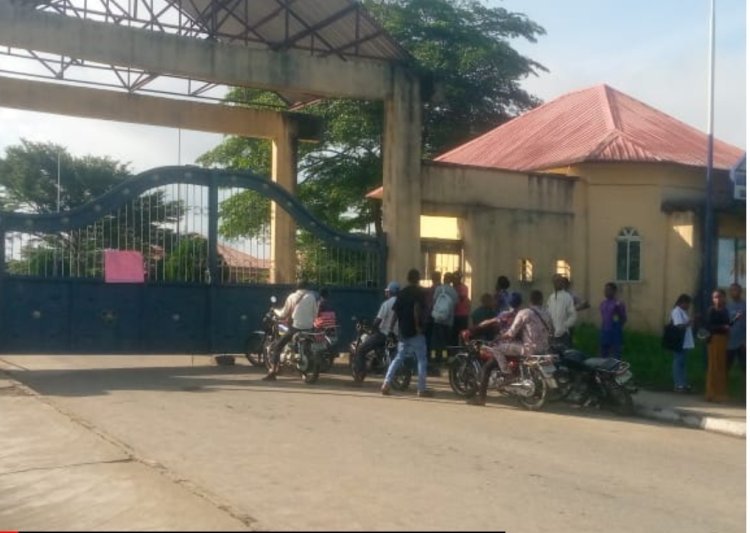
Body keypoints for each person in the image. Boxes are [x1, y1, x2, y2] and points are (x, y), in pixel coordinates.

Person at [467, 290, 552, 406]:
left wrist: (499, 337)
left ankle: (506, 374)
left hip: (527, 348)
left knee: (495, 351)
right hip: (543, 349)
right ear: (541, 300)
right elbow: (553, 330)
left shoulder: (521, 313)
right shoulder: (546, 313)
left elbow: (511, 332)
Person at [381, 268, 432, 398]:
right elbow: (416, 309)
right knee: (421, 359)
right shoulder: (419, 293)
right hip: (415, 332)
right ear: (418, 279)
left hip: (402, 331)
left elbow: (395, 313)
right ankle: (421, 389)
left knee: (399, 357)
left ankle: (386, 383)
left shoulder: (402, 293)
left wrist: (392, 329)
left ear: (408, 278)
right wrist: (417, 327)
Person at [263, 280, 318, 381]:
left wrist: (275, 311)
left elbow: (284, 314)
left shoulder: (292, 297)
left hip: (295, 328)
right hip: (309, 328)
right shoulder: (312, 297)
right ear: (307, 287)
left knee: (277, 346)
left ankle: (273, 371)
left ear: (297, 287)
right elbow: (315, 314)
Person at [352, 281, 400, 384]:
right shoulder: (402, 303)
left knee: (361, 350)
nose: (386, 293)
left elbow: (378, 321)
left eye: (387, 291)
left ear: (390, 292)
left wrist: (372, 329)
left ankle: (360, 375)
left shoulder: (386, 304)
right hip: (397, 336)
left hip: (384, 335)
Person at [705, 289, 732, 402]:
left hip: (724, 339)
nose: (717, 299)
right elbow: (709, 326)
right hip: (714, 339)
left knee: (721, 366)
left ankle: (721, 392)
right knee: (713, 366)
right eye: (715, 297)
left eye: (719, 297)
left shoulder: (725, 310)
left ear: (724, 298)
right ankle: (711, 393)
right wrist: (722, 327)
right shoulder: (712, 310)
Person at [431, 272, 458, 366]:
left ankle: (434, 357)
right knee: (445, 342)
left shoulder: (439, 289)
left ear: (444, 279)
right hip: (448, 321)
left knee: (435, 341)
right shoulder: (454, 291)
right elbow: (455, 304)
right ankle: (444, 358)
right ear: (451, 280)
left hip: (437, 319)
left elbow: (434, 301)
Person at [670, 294, 695, 393]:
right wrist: (689, 322)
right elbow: (679, 326)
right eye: (687, 303)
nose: (688, 306)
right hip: (679, 341)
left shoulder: (683, 312)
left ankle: (683, 383)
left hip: (685, 341)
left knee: (683, 363)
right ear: (682, 302)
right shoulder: (676, 311)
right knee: (678, 362)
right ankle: (678, 384)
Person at [546, 274, 577, 348]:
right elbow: (548, 314)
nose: (558, 283)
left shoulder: (567, 297)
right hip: (552, 335)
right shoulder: (551, 298)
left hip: (563, 335)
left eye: (559, 281)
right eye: (555, 281)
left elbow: (573, 315)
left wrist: (564, 326)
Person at [599, 282, 627, 359]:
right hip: (604, 331)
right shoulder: (603, 304)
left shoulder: (618, 304)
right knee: (603, 353)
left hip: (614, 332)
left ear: (614, 291)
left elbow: (623, 318)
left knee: (615, 354)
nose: (606, 292)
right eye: (605, 290)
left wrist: (617, 327)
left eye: (608, 290)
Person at [726, 283, 746, 377]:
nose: (733, 292)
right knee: (726, 365)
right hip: (730, 342)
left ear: (740, 291)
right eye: (731, 290)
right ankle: (722, 387)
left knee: (745, 366)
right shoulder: (727, 306)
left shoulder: (745, 305)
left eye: (735, 290)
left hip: (743, 342)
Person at [424, 271, 442, 367]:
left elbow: (430, 304)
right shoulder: (443, 289)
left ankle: (431, 358)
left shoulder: (431, 290)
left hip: (430, 317)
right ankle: (440, 358)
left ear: (432, 278)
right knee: (440, 341)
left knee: (430, 340)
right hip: (442, 318)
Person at [452, 270, 471, 345]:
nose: (454, 280)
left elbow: (462, 297)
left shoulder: (463, 287)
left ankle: (464, 350)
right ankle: (454, 351)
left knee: (463, 334)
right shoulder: (452, 287)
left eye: (456, 278)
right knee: (454, 335)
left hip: (462, 315)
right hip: (454, 315)